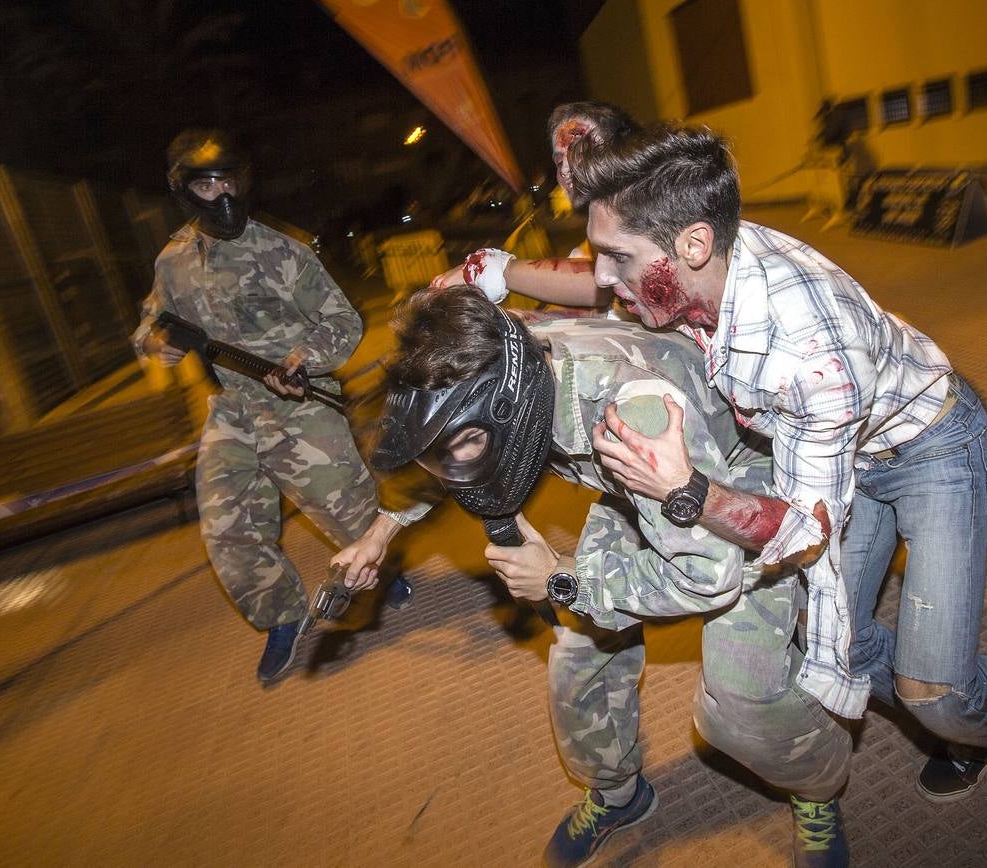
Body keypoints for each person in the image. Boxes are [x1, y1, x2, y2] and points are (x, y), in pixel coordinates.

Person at [440, 123, 987, 834]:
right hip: (833, 454)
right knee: (837, 646)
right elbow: (585, 281)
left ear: (691, 245)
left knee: (937, 692)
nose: (604, 279)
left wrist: (686, 490)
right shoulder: (695, 254)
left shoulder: (808, 353)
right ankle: (974, 726)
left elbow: (803, 532)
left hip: (931, 449)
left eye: (619, 259)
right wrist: (490, 278)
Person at [338, 286, 854, 868]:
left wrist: (561, 579)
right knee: (576, 667)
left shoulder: (629, 413)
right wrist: (380, 531)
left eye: (468, 442)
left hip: (732, 487)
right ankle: (618, 795)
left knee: (739, 705)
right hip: (633, 483)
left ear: (508, 406)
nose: (456, 462)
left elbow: (709, 576)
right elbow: (445, 451)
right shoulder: (498, 356)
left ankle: (816, 792)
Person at [132, 129, 406, 685]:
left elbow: (345, 322)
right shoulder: (173, 262)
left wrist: (305, 356)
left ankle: (382, 564)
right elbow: (151, 321)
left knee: (345, 504)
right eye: (208, 184)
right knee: (226, 526)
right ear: (184, 190)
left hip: (297, 402)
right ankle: (282, 616)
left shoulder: (284, 251)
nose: (222, 194)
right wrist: (152, 343)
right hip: (231, 408)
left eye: (230, 180)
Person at [439, 101, 640, 315]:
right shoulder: (598, 228)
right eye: (559, 160)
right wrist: (520, 325)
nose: (565, 169)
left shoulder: (644, 207)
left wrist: (489, 269)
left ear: (622, 153)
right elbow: (580, 297)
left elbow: (602, 287)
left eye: (581, 153)